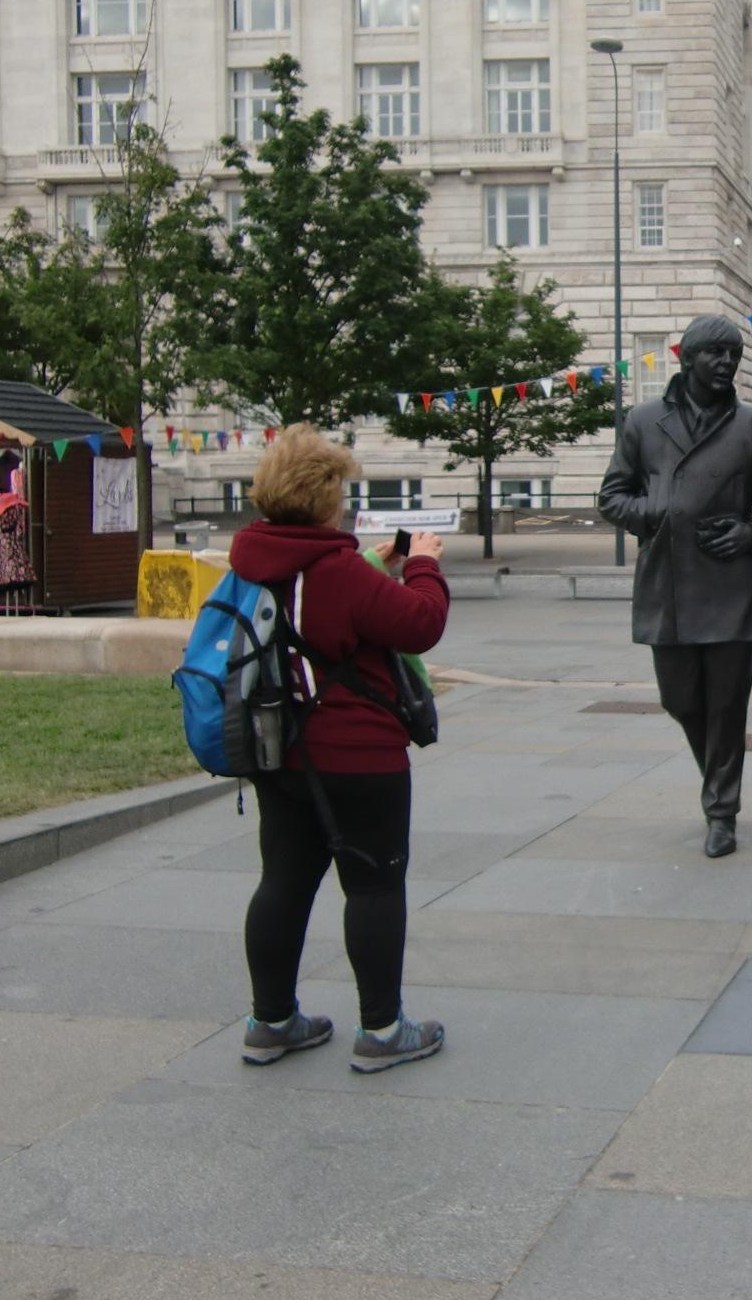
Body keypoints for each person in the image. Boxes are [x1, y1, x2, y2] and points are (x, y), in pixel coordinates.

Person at [227, 424, 450, 1074]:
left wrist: (373, 567)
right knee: (375, 886)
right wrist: (424, 563)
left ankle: (271, 1021)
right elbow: (420, 622)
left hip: (278, 751)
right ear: (323, 498)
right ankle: (382, 1030)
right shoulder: (337, 570)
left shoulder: (251, 560)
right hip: (359, 760)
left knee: (284, 882)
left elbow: (313, 615)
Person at [598, 315, 752, 859]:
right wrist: (652, 510)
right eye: (716, 353)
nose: (728, 362)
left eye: (734, 353)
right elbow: (612, 497)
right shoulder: (643, 421)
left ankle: (721, 811)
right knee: (680, 699)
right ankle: (717, 778)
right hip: (669, 584)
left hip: (731, 584)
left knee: (728, 705)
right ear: (687, 358)